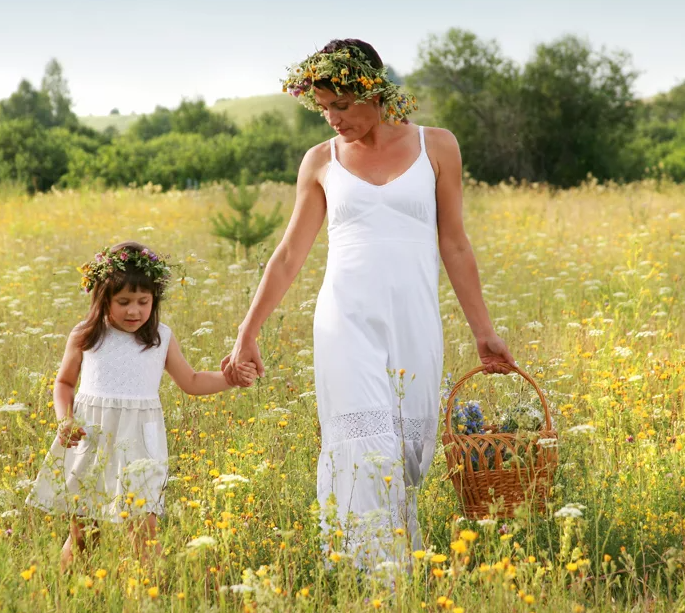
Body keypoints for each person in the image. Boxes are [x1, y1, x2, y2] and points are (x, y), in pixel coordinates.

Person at [221, 39, 515, 566]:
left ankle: (393, 566)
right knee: (365, 448)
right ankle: (379, 577)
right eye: (323, 108)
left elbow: (455, 244)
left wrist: (483, 330)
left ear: (372, 91)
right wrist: (248, 331)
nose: (331, 119)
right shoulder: (320, 162)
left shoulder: (437, 146)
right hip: (344, 321)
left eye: (340, 105)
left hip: (414, 321)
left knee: (407, 455)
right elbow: (289, 254)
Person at [27, 241, 257, 572]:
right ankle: (64, 593)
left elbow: (191, 381)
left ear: (154, 301)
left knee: (144, 528)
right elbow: (63, 383)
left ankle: (153, 595)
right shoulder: (86, 336)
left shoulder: (160, 338)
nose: (134, 311)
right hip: (93, 440)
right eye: (123, 302)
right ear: (103, 298)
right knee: (84, 533)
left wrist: (230, 378)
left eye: (142, 302)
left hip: (140, 444)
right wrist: (65, 420)